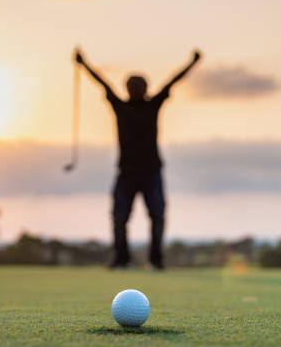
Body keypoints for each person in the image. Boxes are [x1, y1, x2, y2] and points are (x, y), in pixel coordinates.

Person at [75, 48, 201, 269]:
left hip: (152, 171)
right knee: (119, 218)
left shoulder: (153, 104)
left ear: (146, 88)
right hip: (127, 173)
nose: (137, 89)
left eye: (140, 85)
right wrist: (84, 63)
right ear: (128, 89)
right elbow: (102, 82)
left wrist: (192, 63)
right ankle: (121, 259)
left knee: (157, 216)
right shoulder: (120, 106)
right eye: (133, 86)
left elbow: (173, 81)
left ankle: (155, 260)